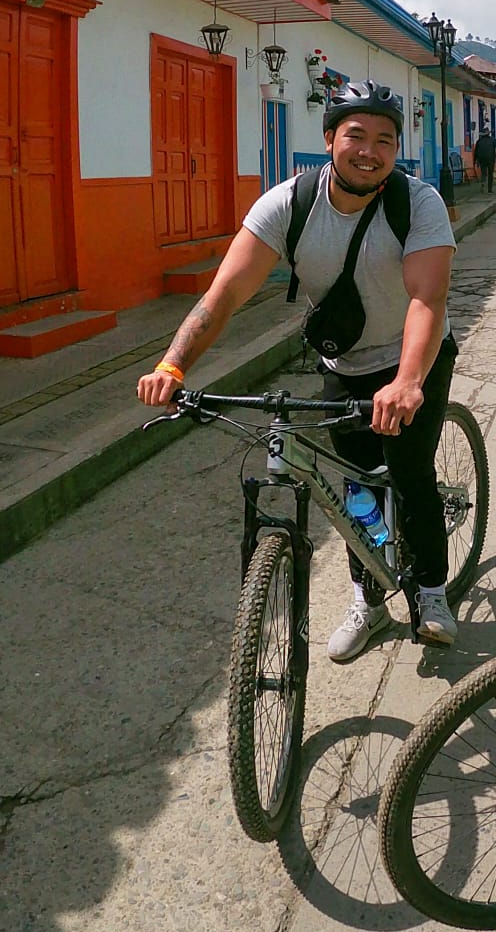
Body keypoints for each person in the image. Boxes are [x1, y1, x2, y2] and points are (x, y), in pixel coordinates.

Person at [137, 79, 461, 655]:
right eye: (356, 136)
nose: (370, 151)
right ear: (329, 138)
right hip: (346, 359)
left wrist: (408, 381)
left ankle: (432, 592)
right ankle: (368, 601)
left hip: (414, 358)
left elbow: (427, 299)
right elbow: (223, 296)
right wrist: (173, 366)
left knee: (409, 474)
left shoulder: (418, 203)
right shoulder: (288, 205)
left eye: (385, 140)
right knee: (356, 483)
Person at [473, 128, 496, 193]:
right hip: (490, 158)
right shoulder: (493, 139)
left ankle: (483, 183)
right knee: (490, 173)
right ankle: (489, 189)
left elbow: (475, 152)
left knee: (483, 173)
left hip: (482, 159)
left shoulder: (479, 141)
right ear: (488, 134)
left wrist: (475, 161)